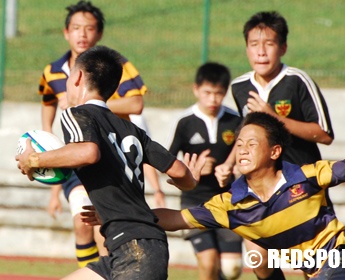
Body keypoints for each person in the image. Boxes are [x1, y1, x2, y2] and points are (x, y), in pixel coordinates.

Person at [147, 111, 345, 280]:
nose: (242, 150)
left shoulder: (306, 177)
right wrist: (116, 215)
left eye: (252, 144)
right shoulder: (230, 204)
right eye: (239, 144)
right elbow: (174, 218)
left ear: (275, 152)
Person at [17, 45, 205, 280]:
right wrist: (190, 182)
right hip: (134, 248)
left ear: (77, 77)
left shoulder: (77, 113)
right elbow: (179, 171)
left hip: (133, 250)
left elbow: (88, 152)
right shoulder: (132, 129)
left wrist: (33, 160)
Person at [38, 0, 164, 267]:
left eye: (89, 28)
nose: (82, 34)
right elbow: (47, 108)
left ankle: (114, 269)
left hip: (110, 156)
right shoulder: (51, 71)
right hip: (74, 159)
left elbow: (135, 103)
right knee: (83, 222)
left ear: (99, 34)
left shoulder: (112, 65)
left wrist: (92, 106)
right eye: (76, 28)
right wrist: (48, 154)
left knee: (100, 227)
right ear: (65, 32)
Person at [215, 11, 335, 279]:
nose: (261, 52)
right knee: (259, 257)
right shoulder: (240, 86)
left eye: (268, 44)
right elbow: (248, 134)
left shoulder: (297, 81)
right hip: (261, 186)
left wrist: (275, 117)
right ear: (246, 47)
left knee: (313, 265)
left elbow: (325, 134)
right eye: (254, 44)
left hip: (302, 184)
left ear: (282, 47)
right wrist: (228, 163)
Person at [167, 62, 243, 280]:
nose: (213, 100)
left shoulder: (235, 121)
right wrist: (191, 171)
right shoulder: (185, 122)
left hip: (229, 201)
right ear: (196, 90)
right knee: (208, 260)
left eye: (218, 94)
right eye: (207, 93)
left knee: (232, 269)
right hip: (194, 201)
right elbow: (169, 163)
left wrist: (233, 168)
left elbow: (245, 154)